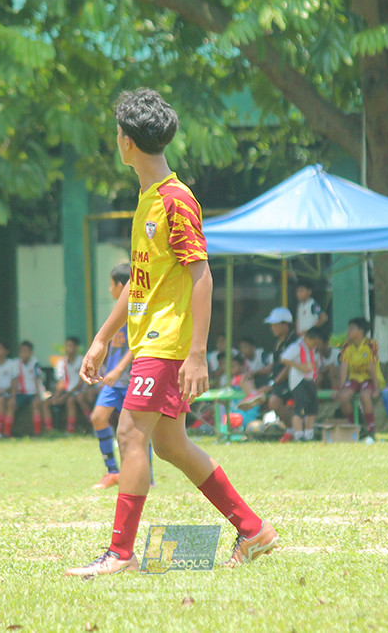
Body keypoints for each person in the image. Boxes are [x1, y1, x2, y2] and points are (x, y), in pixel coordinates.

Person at [66, 89, 276, 577]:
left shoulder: (176, 200)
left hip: (168, 343)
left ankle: (120, 553)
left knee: (128, 433)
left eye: (118, 132)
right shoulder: (146, 200)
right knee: (170, 445)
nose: (116, 139)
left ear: (128, 142)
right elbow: (141, 282)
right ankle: (253, 530)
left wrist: (197, 354)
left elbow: (201, 275)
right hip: (149, 340)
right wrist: (102, 338)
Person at [89, 264, 135, 490]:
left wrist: (118, 370)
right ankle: (113, 471)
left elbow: (137, 345)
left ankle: (146, 475)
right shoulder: (116, 311)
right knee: (98, 417)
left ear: (121, 285)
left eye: (111, 284)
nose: (109, 289)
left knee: (136, 429)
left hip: (131, 380)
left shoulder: (135, 311)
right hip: (112, 382)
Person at [244, 307, 298, 426]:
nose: (272, 328)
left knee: (274, 401)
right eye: (272, 325)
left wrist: (272, 384)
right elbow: (273, 365)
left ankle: (292, 429)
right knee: (245, 378)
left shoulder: (294, 341)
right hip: (275, 379)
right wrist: (254, 372)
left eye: (276, 325)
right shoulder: (278, 342)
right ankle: (255, 398)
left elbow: (288, 368)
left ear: (286, 325)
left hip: (288, 381)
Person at [337, 317, 383, 442]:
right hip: (354, 379)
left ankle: (371, 428)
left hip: (369, 379)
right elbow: (344, 367)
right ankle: (353, 425)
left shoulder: (370, 344)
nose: (348, 331)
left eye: (352, 328)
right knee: (344, 397)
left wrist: (377, 387)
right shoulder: (347, 346)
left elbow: (372, 366)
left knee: (365, 395)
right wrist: (341, 387)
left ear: (360, 331)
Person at [280, 327, 322, 441]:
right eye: (314, 342)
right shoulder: (297, 347)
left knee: (312, 406)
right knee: (300, 406)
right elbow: (284, 358)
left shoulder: (313, 349)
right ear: (307, 338)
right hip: (298, 380)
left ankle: (309, 434)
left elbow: (315, 361)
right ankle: (298, 434)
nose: (315, 345)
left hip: (310, 379)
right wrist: (300, 367)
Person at [44, 337, 85, 434]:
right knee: (46, 403)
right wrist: (56, 396)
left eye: (70, 346)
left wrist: (66, 396)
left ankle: (70, 430)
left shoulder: (82, 361)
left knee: (70, 401)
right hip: (65, 391)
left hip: (78, 391)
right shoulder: (61, 363)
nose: (68, 348)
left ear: (76, 347)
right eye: (66, 346)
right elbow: (61, 382)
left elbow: (80, 383)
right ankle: (50, 430)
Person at [11, 341, 47, 436]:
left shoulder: (35, 363)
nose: (24, 353)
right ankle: (5, 433)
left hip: (33, 393)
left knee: (35, 406)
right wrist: (13, 397)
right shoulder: (16, 363)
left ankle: (37, 432)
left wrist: (38, 395)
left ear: (31, 352)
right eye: (22, 351)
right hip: (21, 393)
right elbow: (15, 381)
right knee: (10, 407)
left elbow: (36, 379)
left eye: (27, 351)